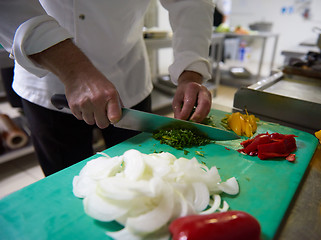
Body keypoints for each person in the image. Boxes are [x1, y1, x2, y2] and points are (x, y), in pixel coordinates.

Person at [0, 0, 214, 176]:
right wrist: (75, 70)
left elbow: (191, 2)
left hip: (129, 77)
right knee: (65, 180)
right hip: (50, 81)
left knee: (138, 175)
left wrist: (191, 70)